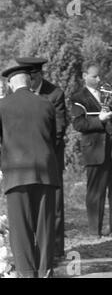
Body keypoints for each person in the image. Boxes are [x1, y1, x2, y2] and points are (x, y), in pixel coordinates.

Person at [0, 65, 60, 277]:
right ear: (29, 81)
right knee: (45, 226)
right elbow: (54, 137)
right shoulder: (46, 104)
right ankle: (45, 270)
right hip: (45, 171)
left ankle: (26, 272)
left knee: (20, 227)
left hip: (16, 173)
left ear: (11, 83)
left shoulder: (2, 105)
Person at [70, 62, 112, 238]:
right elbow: (78, 124)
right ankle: (94, 231)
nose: (99, 79)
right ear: (84, 76)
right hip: (94, 149)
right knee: (96, 191)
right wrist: (100, 120)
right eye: (94, 76)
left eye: (99, 76)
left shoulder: (108, 93)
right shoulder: (78, 97)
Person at [15, 57, 68, 258]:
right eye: (27, 77)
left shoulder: (54, 94)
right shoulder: (19, 95)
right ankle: (32, 248)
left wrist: (39, 150)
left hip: (49, 158)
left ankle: (55, 249)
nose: (30, 81)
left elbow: (59, 130)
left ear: (39, 75)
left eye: (33, 76)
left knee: (53, 205)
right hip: (23, 162)